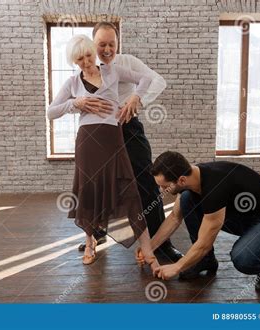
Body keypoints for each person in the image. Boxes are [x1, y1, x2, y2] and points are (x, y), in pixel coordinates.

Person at [74, 22, 183, 263]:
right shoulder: (85, 69)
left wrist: (137, 98)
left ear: (117, 44)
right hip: (98, 135)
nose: (107, 49)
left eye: (112, 43)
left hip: (128, 129)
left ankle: (161, 245)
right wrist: (79, 104)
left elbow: (158, 81)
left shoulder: (128, 63)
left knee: (145, 184)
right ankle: (97, 234)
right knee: (97, 184)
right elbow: (71, 101)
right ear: (93, 44)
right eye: (101, 44)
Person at [47, 34, 159, 270]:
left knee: (130, 193)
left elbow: (146, 78)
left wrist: (134, 98)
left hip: (112, 140)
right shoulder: (73, 83)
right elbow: (51, 112)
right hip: (87, 142)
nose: (86, 62)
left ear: (92, 52)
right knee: (88, 191)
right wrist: (75, 104)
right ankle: (89, 243)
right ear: (74, 61)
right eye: (79, 59)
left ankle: (147, 248)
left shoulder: (113, 71)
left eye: (88, 56)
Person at [137, 151, 260, 292]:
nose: (161, 191)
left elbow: (204, 244)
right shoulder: (192, 176)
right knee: (186, 199)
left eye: (164, 187)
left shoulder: (215, 186)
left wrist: (177, 267)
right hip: (241, 218)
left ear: (181, 180)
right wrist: (149, 248)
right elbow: (174, 218)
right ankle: (205, 261)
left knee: (243, 258)